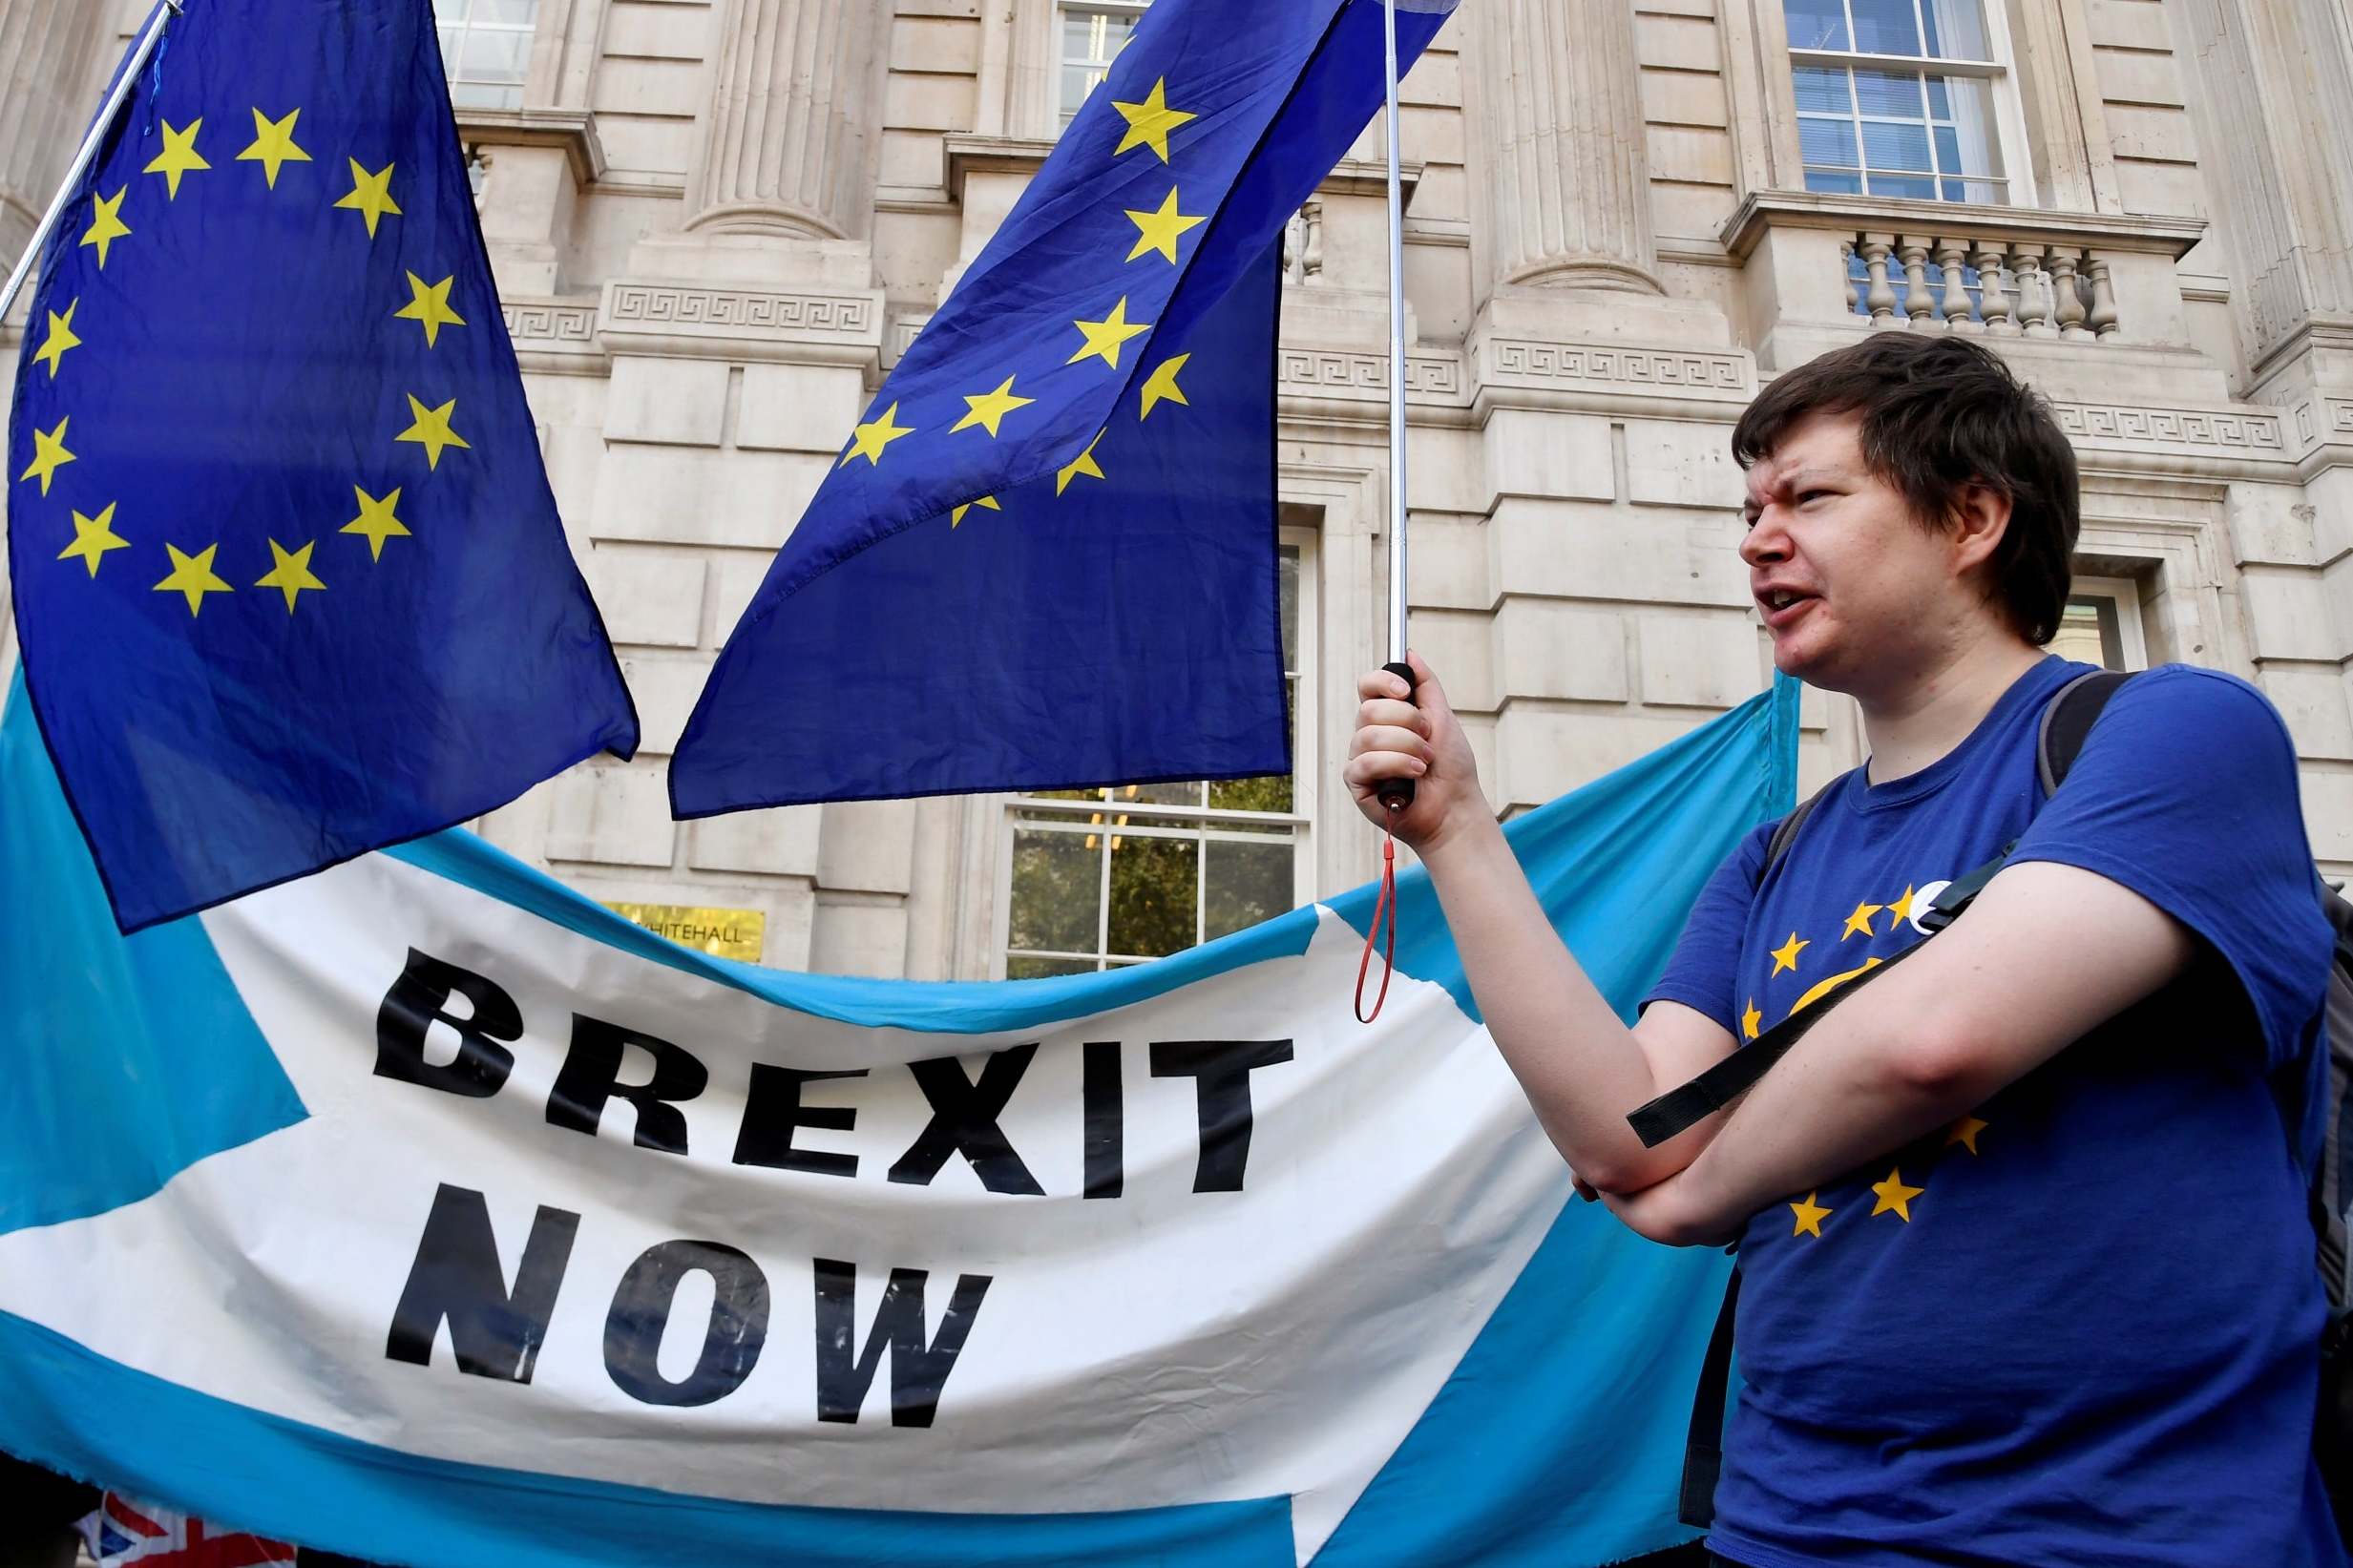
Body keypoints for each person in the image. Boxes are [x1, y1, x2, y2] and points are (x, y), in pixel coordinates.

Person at [1346, 331, 2344, 1565]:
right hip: (1783, 1527)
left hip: (2123, 1531)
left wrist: (1699, 1193)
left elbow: (1934, 1042)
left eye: (1809, 496)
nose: (1757, 538)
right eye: (1749, 507)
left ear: (1972, 518)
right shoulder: (1770, 859)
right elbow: (1626, 1129)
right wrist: (1456, 832)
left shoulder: (2176, 732)